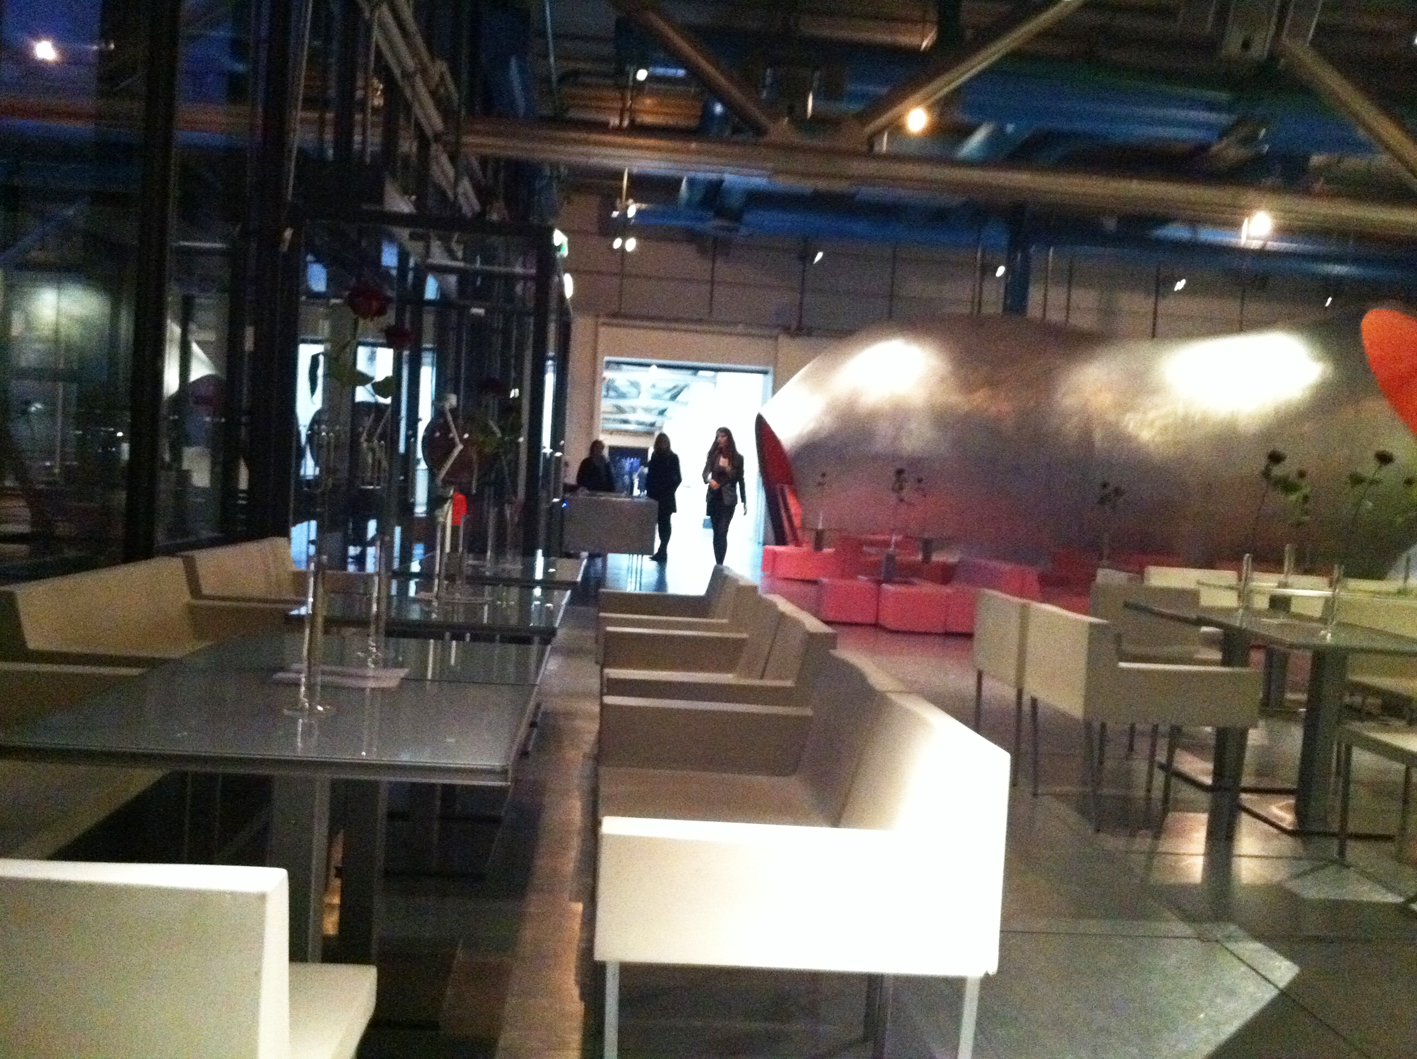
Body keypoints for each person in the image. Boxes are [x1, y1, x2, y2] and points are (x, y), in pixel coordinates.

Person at [702, 426, 746, 566]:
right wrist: (710, 480)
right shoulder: (713, 455)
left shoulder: (737, 458)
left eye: (722, 436)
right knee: (716, 532)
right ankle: (718, 562)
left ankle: (720, 563)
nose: (719, 439)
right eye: (718, 436)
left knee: (722, 531)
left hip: (728, 499)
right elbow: (704, 474)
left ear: (729, 438)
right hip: (714, 496)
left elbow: (738, 478)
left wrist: (744, 500)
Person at [645, 432, 682, 563]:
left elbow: (678, 478)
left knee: (664, 524)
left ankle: (663, 549)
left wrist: (669, 490)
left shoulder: (672, 458)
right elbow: (650, 476)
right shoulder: (655, 457)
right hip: (656, 495)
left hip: (665, 496)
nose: (662, 444)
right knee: (658, 524)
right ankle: (660, 549)